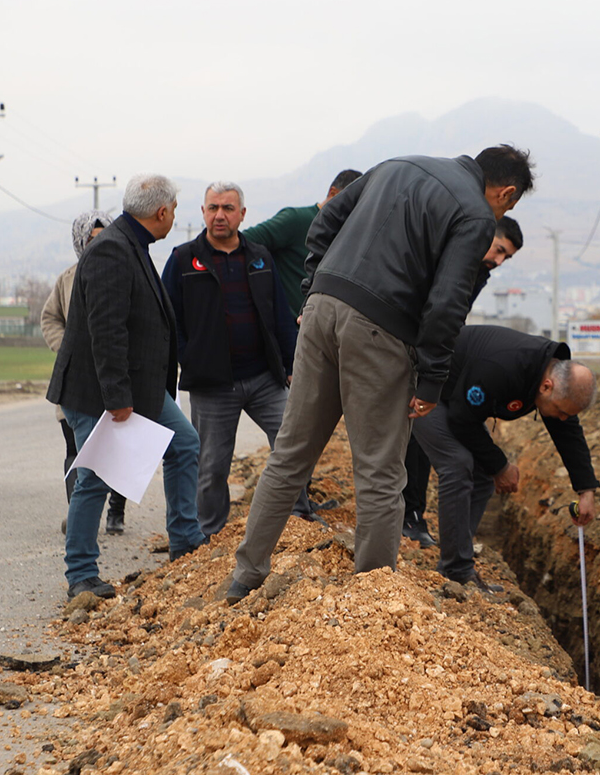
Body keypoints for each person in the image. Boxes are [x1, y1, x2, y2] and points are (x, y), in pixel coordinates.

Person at [224, 145, 535, 603]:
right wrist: (431, 381)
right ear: (506, 192)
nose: (501, 212)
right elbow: (447, 303)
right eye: (508, 205)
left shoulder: (397, 165)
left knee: (290, 455)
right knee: (380, 471)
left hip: (322, 312)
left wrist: (313, 289)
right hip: (381, 332)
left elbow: (324, 222)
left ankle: (245, 577)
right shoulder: (474, 214)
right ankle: (372, 596)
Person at [46, 174, 203, 600]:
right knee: (95, 477)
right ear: (163, 212)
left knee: (184, 443)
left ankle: (186, 541)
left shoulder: (132, 244)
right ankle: (80, 574)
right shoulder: (113, 250)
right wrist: (117, 398)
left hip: (138, 387)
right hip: (99, 391)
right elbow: (106, 328)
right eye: (175, 210)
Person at [161, 182, 311, 538]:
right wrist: (190, 358)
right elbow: (169, 319)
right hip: (214, 384)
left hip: (265, 378)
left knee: (292, 445)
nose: (219, 216)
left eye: (228, 208)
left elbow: (279, 313)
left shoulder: (259, 256)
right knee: (212, 465)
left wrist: (290, 367)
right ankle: (211, 532)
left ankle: (300, 520)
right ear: (202, 212)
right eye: (213, 208)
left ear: (242, 214)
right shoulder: (184, 260)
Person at [411, 324, 599, 591]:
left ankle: (458, 559)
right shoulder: (504, 367)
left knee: (482, 474)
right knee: (458, 463)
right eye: (560, 411)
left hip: (457, 395)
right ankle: (455, 569)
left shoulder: (553, 381)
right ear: (547, 387)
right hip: (427, 387)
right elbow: (462, 420)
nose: (562, 418)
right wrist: (500, 466)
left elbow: (568, 432)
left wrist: (586, 490)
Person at [402, 215, 524, 548]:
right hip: (409, 348)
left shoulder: (478, 271)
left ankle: (412, 517)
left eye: (506, 258)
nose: (498, 262)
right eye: (499, 250)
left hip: (435, 355)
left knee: (422, 437)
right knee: (421, 438)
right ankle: (406, 517)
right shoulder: (453, 253)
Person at [41, 209, 128, 536]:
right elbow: (50, 318)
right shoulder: (67, 278)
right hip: (76, 380)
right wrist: (68, 348)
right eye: (92, 239)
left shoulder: (122, 273)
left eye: (104, 237)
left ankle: (115, 512)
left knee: (116, 448)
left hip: (115, 378)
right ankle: (78, 515)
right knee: (76, 451)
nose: (99, 245)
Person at [241, 169, 363, 317]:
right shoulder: (296, 220)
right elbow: (244, 240)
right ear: (333, 193)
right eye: (352, 203)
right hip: (291, 326)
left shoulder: (348, 234)